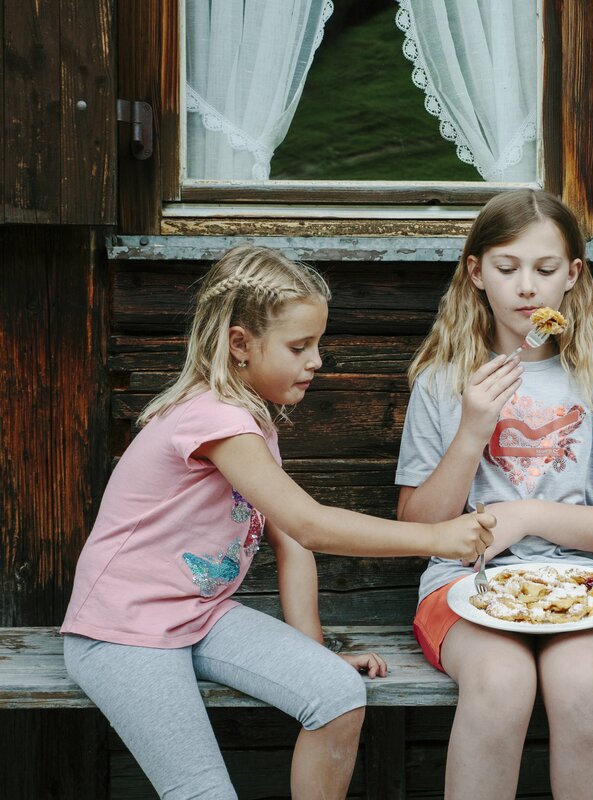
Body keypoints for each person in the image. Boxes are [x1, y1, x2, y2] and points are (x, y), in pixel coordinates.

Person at [61, 245, 495, 800]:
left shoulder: (251, 423)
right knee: (202, 792)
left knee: (337, 695)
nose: (317, 360)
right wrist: (435, 537)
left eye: (318, 343)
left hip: (199, 617)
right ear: (240, 343)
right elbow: (309, 523)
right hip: (122, 634)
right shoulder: (212, 420)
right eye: (299, 346)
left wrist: (311, 653)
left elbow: (294, 546)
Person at [396, 189, 593, 800]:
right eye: (506, 267)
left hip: (586, 589)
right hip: (463, 587)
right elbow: (417, 526)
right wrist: (470, 432)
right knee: (500, 682)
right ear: (475, 273)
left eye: (545, 271)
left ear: (572, 277)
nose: (526, 288)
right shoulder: (443, 382)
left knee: (581, 686)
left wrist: (527, 515)